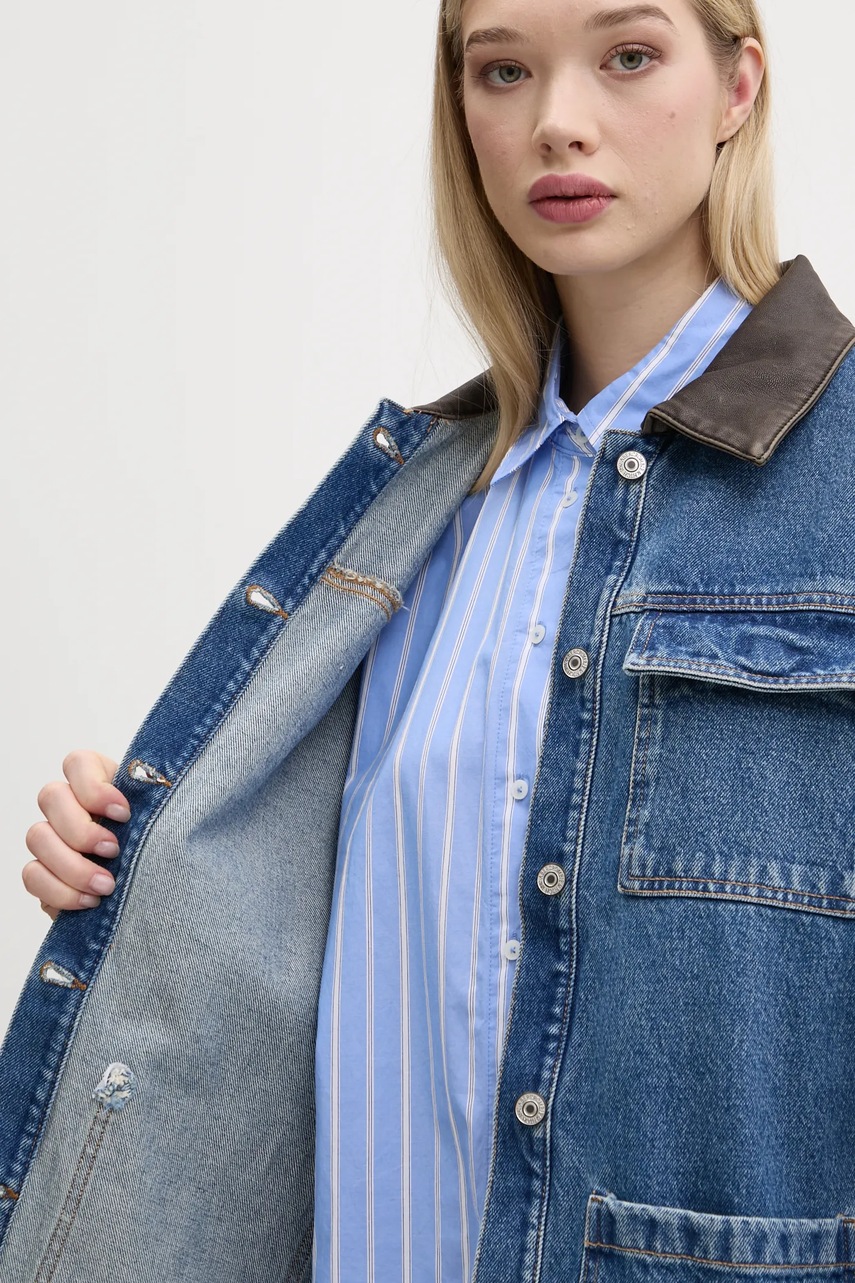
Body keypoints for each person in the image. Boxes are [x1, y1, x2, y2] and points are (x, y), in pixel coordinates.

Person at [5, 0, 855, 1280]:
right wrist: (143, 853)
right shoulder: (414, 501)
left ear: (740, 87)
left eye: (628, 56)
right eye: (502, 70)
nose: (556, 122)